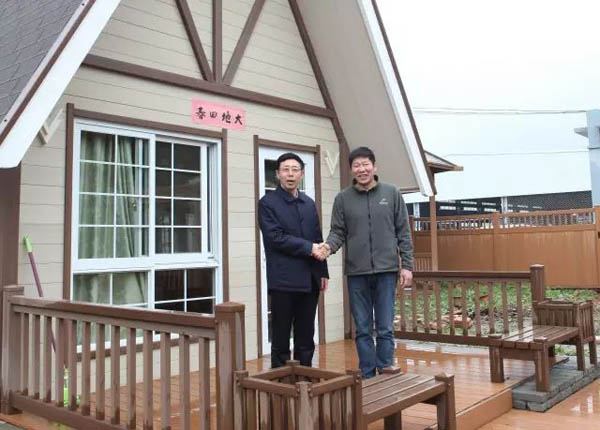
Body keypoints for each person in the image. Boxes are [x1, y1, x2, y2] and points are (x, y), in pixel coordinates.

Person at [321, 146, 413, 378]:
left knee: (385, 327)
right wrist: (328, 247)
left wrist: (407, 265)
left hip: (386, 271)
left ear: (374, 166)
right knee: (362, 328)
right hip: (357, 273)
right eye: (356, 166)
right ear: (351, 170)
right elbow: (337, 232)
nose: (361, 169)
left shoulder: (392, 193)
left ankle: (386, 369)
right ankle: (367, 374)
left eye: (365, 164)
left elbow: (403, 232)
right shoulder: (343, 199)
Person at [258, 152, 329, 368]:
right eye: (285, 170)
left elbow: (317, 237)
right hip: (283, 280)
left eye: (295, 170)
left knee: (306, 335)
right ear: (277, 174)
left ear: (302, 174)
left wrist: (322, 272)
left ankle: (305, 376)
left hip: (310, 279)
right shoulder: (267, 203)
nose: (290, 174)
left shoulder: (309, 203)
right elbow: (275, 238)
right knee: (280, 336)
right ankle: (279, 379)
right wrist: (309, 248)